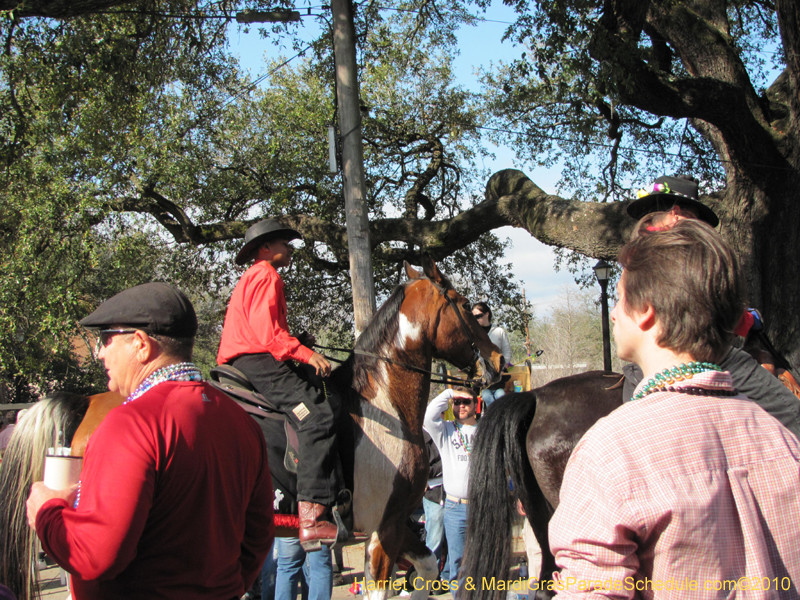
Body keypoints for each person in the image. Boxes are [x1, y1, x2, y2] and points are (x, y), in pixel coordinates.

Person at [549, 220, 800, 598]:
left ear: (646, 311)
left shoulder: (612, 449)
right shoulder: (781, 438)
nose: (614, 313)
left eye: (618, 298)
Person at [26, 282, 274, 600]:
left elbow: (96, 556)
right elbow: (258, 537)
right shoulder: (241, 422)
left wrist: (46, 511)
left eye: (106, 339)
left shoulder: (129, 424)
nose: (100, 352)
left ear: (141, 344)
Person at [623, 175, 800, 440]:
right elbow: (709, 308)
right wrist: (747, 320)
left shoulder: (636, 254)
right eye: (698, 217)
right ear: (677, 213)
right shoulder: (687, 253)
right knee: (793, 416)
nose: (703, 228)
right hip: (708, 356)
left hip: (640, 370)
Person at [217, 218, 339, 550]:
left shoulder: (255, 275)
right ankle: (313, 516)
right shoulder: (267, 275)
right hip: (257, 360)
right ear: (265, 248)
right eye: (285, 243)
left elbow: (268, 331)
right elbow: (267, 335)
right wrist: (304, 354)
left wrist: (298, 342)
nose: (290, 249)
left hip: (252, 356)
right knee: (317, 418)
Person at [423, 386, 478, 587]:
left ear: (476, 404)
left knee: (480, 560)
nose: (461, 405)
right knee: (458, 563)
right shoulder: (445, 430)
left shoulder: (486, 429)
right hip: (455, 507)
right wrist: (449, 393)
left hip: (482, 506)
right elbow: (429, 416)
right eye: (457, 402)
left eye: (466, 402)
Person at [422, 430, 450, 584]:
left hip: (452, 494)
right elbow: (423, 468)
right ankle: (430, 578)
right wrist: (444, 468)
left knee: (453, 540)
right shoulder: (423, 436)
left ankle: (447, 576)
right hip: (434, 495)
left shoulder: (448, 432)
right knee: (434, 539)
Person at [471, 302, 512, 406]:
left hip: (497, 376)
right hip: (481, 377)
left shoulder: (499, 332)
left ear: (487, 314)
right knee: (487, 396)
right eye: (473, 317)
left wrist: (504, 365)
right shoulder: (472, 334)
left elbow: (506, 350)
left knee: (500, 395)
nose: (476, 319)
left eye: (478, 316)